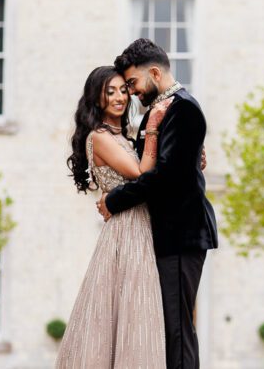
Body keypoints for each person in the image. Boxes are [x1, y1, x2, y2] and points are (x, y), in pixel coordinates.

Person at [98, 38, 219, 369]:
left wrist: (115, 198)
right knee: (162, 328)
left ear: (154, 72)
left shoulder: (184, 109)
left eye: (134, 83)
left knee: (176, 328)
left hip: (181, 233)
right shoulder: (159, 111)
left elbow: (165, 176)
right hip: (163, 233)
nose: (132, 92)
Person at [56, 65, 172, 368]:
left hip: (140, 227)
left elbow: (153, 172)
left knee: (137, 313)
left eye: (123, 90)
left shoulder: (125, 136)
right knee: (131, 310)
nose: (120, 97)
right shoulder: (100, 137)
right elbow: (139, 173)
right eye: (111, 92)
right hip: (127, 232)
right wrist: (156, 125)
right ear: (97, 98)